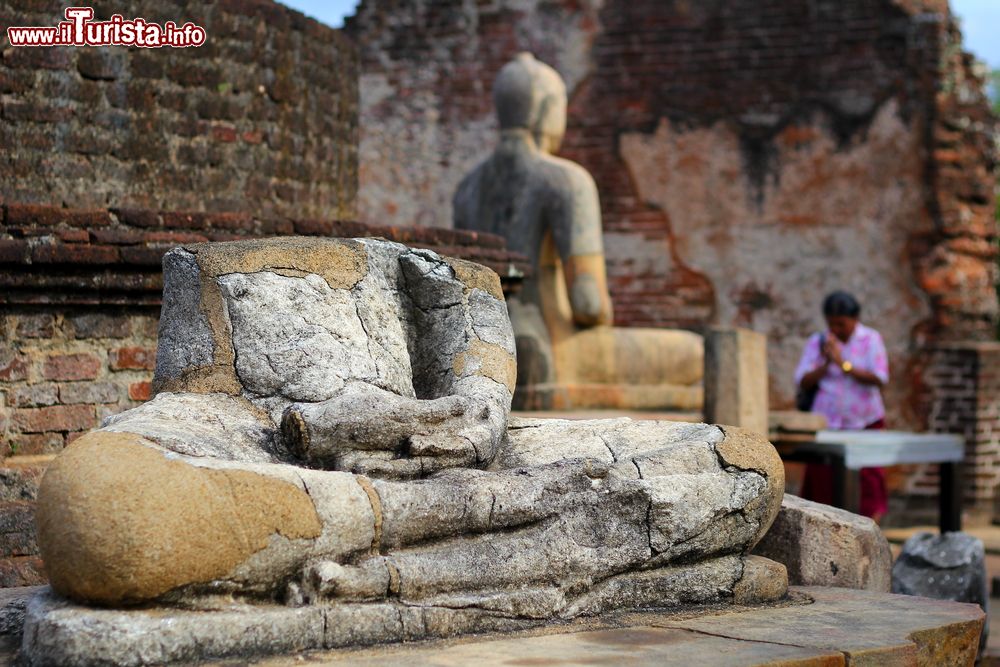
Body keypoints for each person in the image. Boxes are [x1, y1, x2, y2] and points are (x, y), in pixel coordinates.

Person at [794, 291, 890, 522]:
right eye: (831, 324)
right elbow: (803, 380)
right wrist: (826, 364)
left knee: (869, 478)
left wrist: (843, 364)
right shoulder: (819, 342)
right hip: (829, 422)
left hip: (864, 420)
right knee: (823, 479)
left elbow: (879, 378)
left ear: (855, 319)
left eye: (841, 324)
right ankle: (826, 527)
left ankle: (869, 527)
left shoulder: (871, 339)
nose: (836, 329)